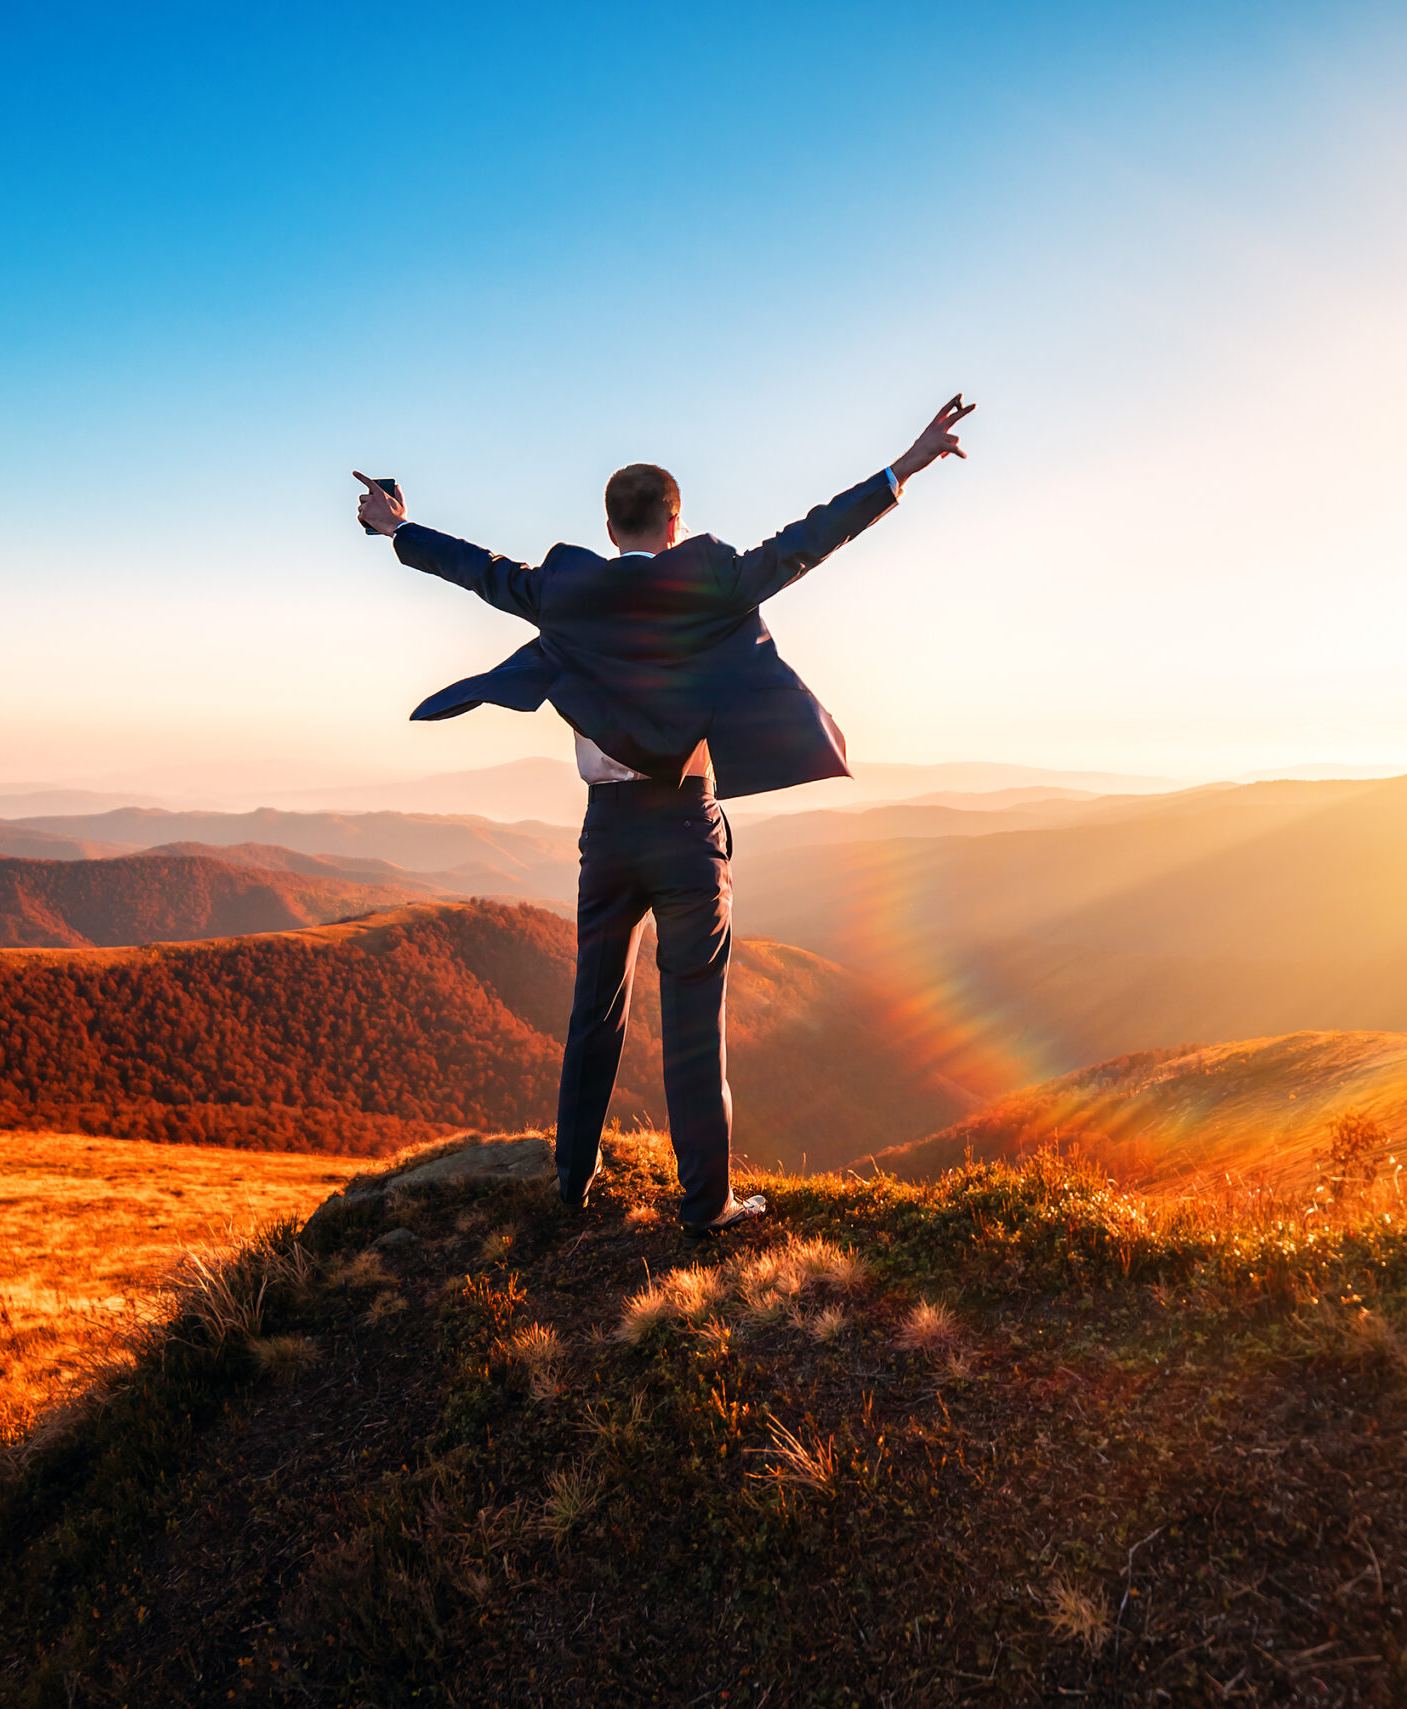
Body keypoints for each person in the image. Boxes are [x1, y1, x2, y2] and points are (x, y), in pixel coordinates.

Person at [354, 396, 973, 1238]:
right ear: (674, 522)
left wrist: (399, 527)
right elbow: (806, 542)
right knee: (692, 1019)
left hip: (604, 832)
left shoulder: (566, 589)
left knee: (593, 1010)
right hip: (687, 830)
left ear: (609, 529)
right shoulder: (710, 579)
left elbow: (481, 569)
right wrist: (905, 466)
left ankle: (572, 1181)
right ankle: (706, 1205)